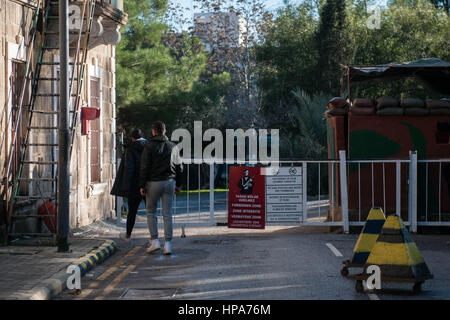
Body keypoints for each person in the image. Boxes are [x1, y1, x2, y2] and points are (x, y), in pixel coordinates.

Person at [139, 121, 183, 255]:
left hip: (153, 182)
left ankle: (155, 241)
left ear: (153, 132)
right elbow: (179, 167)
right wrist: (179, 184)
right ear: (164, 131)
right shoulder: (172, 146)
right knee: (167, 214)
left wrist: (142, 185)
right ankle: (168, 244)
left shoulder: (148, 147)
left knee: (151, 212)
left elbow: (144, 167)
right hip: (168, 182)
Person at [113, 129, 148, 241]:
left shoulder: (131, 149)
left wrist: (125, 187)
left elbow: (129, 169)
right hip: (148, 184)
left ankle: (128, 235)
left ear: (133, 138)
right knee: (151, 212)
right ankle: (154, 237)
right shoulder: (150, 146)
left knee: (132, 211)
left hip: (134, 185)